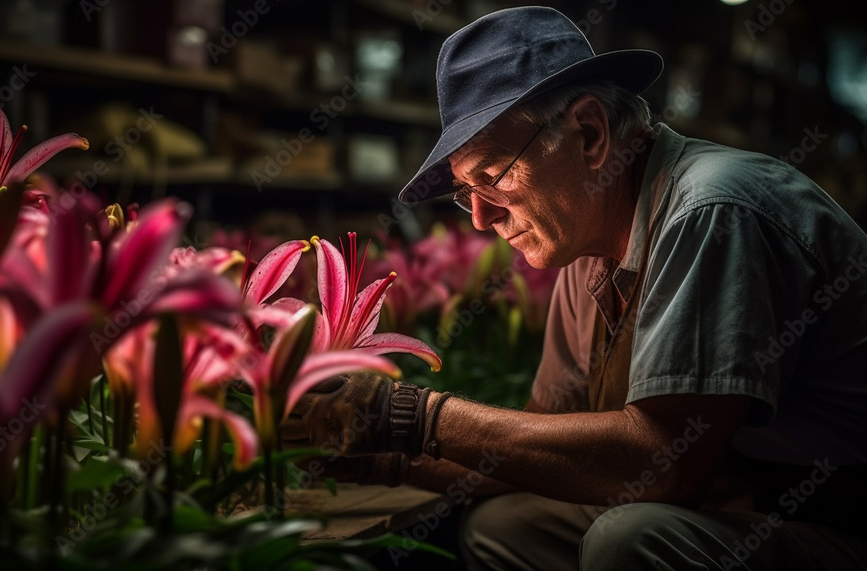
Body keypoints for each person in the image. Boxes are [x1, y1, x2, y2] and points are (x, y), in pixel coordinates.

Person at [282, 6, 867, 570]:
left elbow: (665, 462)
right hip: (735, 513)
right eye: (467, 193)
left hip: (833, 526)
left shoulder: (711, 209)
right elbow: (541, 458)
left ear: (589, 133)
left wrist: (414, 416)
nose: (481, 218)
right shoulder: (586, 254)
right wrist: (383, 459)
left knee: (627, 539)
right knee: (507, 526)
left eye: (493, 176)